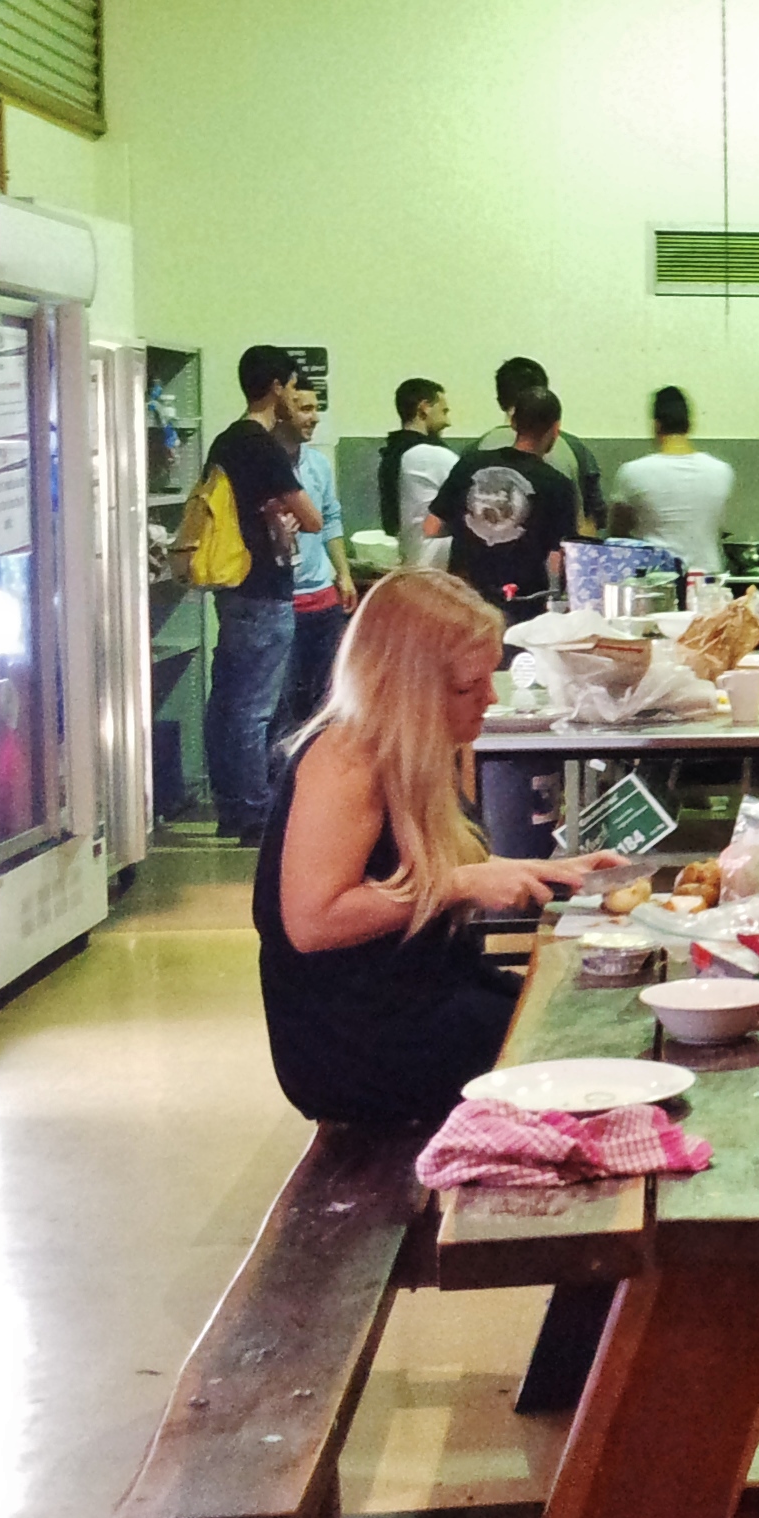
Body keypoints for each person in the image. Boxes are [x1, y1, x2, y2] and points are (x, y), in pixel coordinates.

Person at [256, 570, 601, 1123]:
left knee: (577, 1020)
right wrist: (460, 884)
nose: (490, 698)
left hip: (424, 992)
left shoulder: (428, 746)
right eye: (468, 687)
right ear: (407, 687)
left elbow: (416, 869)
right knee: (579, 1059)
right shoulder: (344, 759)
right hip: (356, 1036)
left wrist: (549, 870)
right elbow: (313, 922)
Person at [200, 345, 322, 844]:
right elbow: (312, 518)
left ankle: (230, 806)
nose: (294, 396)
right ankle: (255, 812)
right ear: (276, 387)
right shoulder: (262, 444)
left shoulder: (226, 440)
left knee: (227, 701)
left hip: (231, 586)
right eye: (292, 387)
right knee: (255, 708)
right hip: (264, 588)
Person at [426, 386, 580, 622]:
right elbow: (556, 561)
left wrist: (472, 526)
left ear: (514, 423)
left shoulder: (470, 463)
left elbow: (431, 526)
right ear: (556, 429)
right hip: (520, 607)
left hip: (463, 599)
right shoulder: (558, 485)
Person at [274, 377, 355, 744]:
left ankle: (315, 768)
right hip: (281, 603)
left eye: (316, 408)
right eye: (305, 408)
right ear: (281, 410)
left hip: (322, 600)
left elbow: (330, 518)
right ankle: (282, 775)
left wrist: (343, 574)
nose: (314, 417)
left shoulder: (318, 464)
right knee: (282, 706)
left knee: (324, 701)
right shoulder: (263, 464)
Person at [611, 386, 735, 574]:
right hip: (707, 579)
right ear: (690, 425)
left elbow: (618, 534)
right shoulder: (722, 471)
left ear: (656, 425)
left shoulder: (633, 472)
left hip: (656, 579)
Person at [474, 356, 603, 521]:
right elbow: (592, 517)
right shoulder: (574, 448)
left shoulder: (476, 450)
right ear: (543, 395)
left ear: (500, 401)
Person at [377, 376, 455, 542]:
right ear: (424, 408)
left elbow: (391, 524)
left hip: (409, 547)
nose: (447, 422)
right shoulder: (430, 455)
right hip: (436, 551)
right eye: (444, 411)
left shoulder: (392, 454)